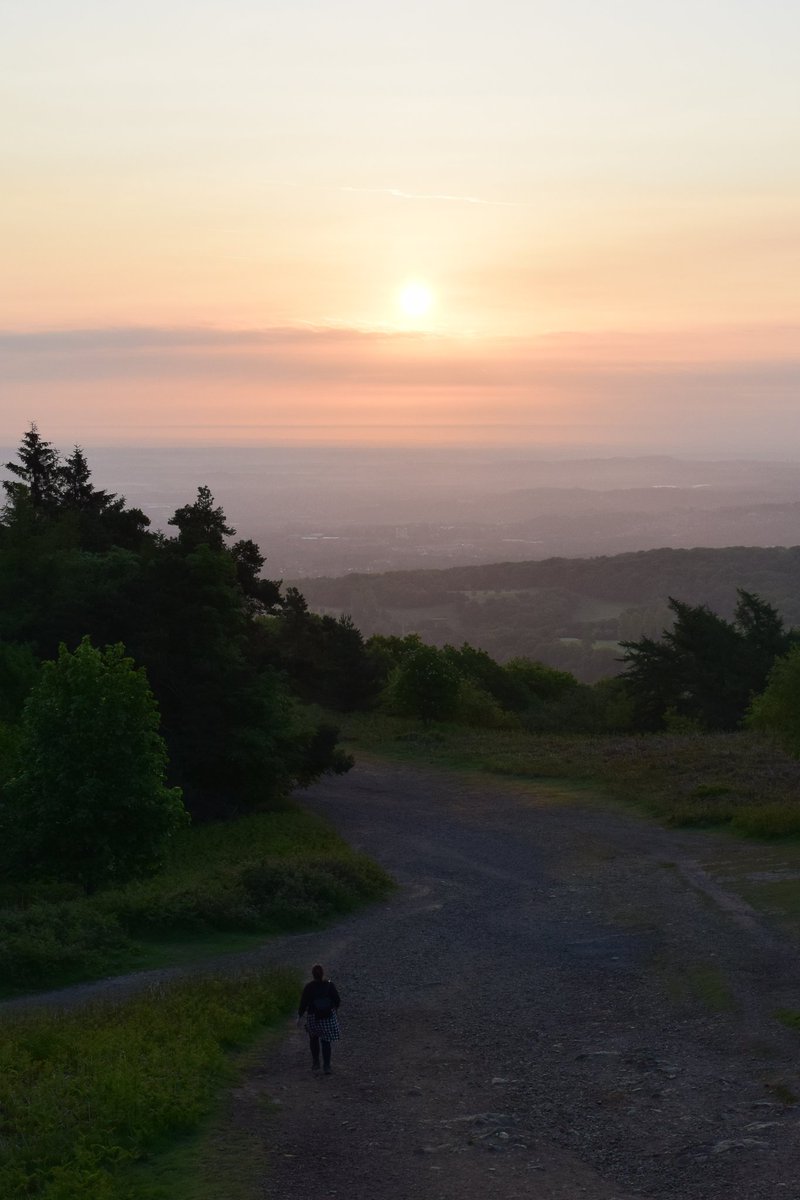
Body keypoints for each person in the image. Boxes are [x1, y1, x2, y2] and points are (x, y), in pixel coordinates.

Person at [298, 963, 341, 1075]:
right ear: (323, 973)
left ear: (312, 974)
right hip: (327, 1017)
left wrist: (300, 1015)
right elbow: (337, 1000)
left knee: (313, 1039)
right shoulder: (329, 985)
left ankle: (316, 1062)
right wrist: (333, 1008)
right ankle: (327, 1066)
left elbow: (303, 1003)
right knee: (326, 1041)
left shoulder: (309, 987)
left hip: (313, 1017)